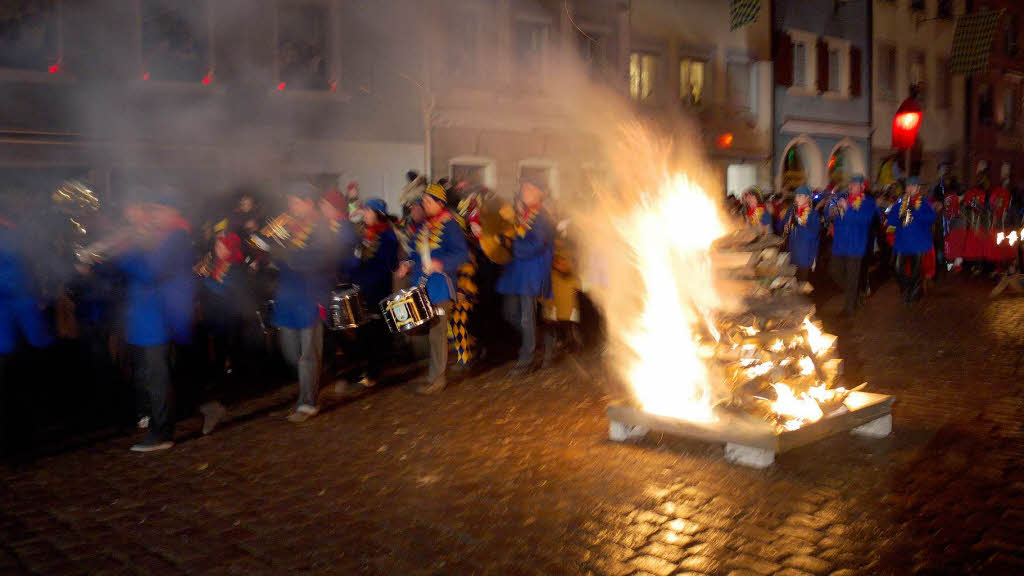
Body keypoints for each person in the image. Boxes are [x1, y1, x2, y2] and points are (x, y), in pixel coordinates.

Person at [115, 190, 194, 452]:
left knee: (158, 377)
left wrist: (125, 254)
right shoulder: (160, 236)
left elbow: (150, 272)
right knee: (156, 375)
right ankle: (195, 412)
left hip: (160, 318)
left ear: (173, 212)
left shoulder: (176, 237)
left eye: (159, 210)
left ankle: (162, 434)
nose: (154, 215)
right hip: (147, 318)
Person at [269, 182, 333, 422]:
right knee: (290, 351)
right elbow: (279, 256)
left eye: (295, 202)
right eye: (289, 203)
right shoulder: (290, 227)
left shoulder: (321, 228)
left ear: (308, 202)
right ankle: (312, 383)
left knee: (307, 353)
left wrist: (286, 253)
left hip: (310, 296)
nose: (291, 207)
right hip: (288, 296)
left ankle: (308, 402)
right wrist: (273, 247)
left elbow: (314, 260)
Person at [396, 184, 468, 394]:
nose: (424, 205)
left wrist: (441, 263)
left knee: (437, 334)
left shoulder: (451, 226)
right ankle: (433, 375)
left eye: (428, 202)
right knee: (430, 333)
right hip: (422, 286)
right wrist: (407, 264)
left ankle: (437, 379)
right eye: (424, 202)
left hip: (441, 287)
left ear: (440, 203)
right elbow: (415, 254)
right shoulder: (423, 227)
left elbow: (461, 254)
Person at [1, 208, 54, 462]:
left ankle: (17, 444)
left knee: (14, 387)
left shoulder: (10, 238)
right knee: (20, 386)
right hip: (21, 328)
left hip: (11, 330)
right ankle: (22, 442)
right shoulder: (14, 238)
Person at [497, 179, 555, 373]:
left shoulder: (542, 216)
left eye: (529, 188)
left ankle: (527, 360)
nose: (524, 191)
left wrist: (511, 245)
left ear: (539, 193)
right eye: (523, 188)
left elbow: (536, 244)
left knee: (526, 318)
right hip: (517, 271)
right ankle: (544, 341)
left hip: (531, 271)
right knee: (510, 313)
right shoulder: (524, 214)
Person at [194, 231, 246, 434]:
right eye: (217, 246)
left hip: (230, 318)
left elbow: (226, 290)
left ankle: (230, 391)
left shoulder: (237, 268)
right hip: (213, 317)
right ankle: (218, 387)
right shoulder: (215, 264)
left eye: (222, 246)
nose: (218, 250)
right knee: (216, 353)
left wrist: (205, 280)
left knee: (229, 352)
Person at [349, 198, 398, 388]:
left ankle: (374, 371)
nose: (365, 215)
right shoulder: (365, 233)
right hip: (362, 287)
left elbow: (388, 263)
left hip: (377, 288)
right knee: (363, 331)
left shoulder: (387, 235)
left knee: (375, 331)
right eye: (365, 211)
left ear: (378, 214)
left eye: (368, 211)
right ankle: (366, 369)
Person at [829, 175, 876, 315]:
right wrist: (832, 212)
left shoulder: (868, 202)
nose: (851, 186)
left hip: (856, 245)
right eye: (850, 183)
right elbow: (833, 216)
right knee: (834, 271)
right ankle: (854, 295)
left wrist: (847, 208)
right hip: (840, 243)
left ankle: (849, 309)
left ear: (862, 186)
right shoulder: (843, 198)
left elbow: (864, 220)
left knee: (852, 276)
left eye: (854, 184)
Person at [888, 177, 937, 303]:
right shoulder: (899, 204)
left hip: (918, 243)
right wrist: (900, 215)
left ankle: (914, 294)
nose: (910, 188)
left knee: (916, 271)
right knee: (897, 268)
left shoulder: (925, 203)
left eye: (913, 186)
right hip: (902, 243)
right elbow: (891, 221)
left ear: (918, 188)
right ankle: (906, 289)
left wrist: (915, 211)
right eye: (908, 186)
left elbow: (931, 218)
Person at [783, 186, 821, 283]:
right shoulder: (791, 211)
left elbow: (813, 234)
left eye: (800, 196)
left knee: (801, 287)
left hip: (805, 255)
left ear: (807, 197)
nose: (796, 198)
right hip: (792, 254)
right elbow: (783, 228)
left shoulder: (813, 215)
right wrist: (785, 226)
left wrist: (799, 222)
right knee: (790, 285)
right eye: (796, 196)